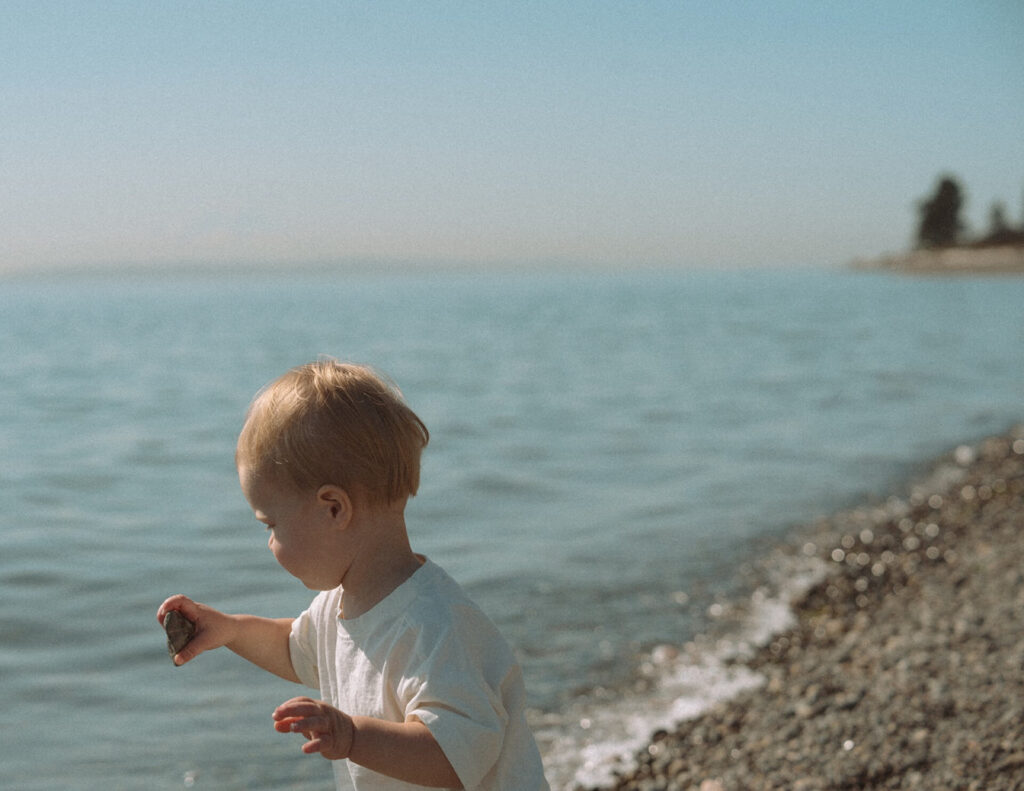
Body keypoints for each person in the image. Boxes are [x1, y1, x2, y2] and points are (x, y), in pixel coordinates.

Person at [157, 360, 549, 791]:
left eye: (271, 526)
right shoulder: (339, 606)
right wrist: (230, 630)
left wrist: (351, 737)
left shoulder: (434, 625)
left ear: (334, 509)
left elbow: (455, 757)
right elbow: (296, 651)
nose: (269, 543)